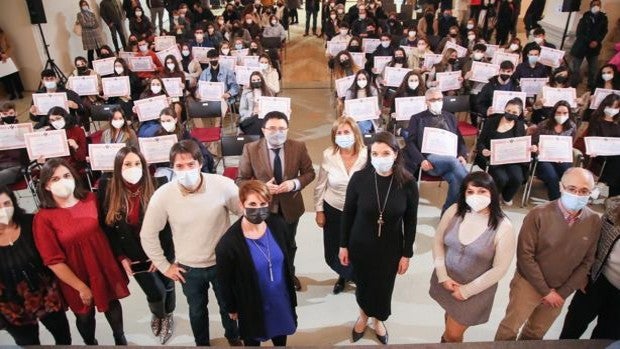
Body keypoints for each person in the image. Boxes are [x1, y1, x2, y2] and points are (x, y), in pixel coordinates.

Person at [140, 140, 242, 346]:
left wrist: (238, 251)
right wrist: (164, 266)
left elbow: (244, 215)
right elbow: (148, 234)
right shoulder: (163, 195)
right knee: (196, 309)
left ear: (200, 163)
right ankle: (202, 343)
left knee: (228, 306)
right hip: (188, 268)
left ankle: (233, 337)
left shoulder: (223, 185)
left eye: (190, 164)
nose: (185, 170)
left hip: (221, 264)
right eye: (179, 166)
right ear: (172, 168)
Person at [494, 167, 602, 341]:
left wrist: (562, 293)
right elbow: (525, 256)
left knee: (536, 333)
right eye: (572, 189)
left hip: (561, 289)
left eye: (584, 191)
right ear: (561, 187)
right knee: (510, 329)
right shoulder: (538, 214)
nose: (577, 194)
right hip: (528, 284)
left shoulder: (594, 220)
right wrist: (546, 291)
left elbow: (587, 261)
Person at [33, 159, 130, 345]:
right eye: (55, 178)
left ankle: (120, 338)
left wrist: (122, 257)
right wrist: (81, 287)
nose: (63, 181)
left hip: (102, 265)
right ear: (46, 185)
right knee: (85, 316)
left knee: (112, 303)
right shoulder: (43, 218)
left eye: (66, 176)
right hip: (75, 275)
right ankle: (90, 343)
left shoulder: (91, 199)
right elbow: (53, 261)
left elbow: (108, 230)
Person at [340, 131, 418, 345]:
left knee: (384, 285)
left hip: (391, 247)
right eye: (375, 153)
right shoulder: (359, 178)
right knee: (364, 283)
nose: (380, 157)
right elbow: (348, 213)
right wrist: (343, 245)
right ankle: (363, 316)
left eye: (385, 152)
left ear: (395, 154)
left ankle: (379, 320)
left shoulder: (408, 183)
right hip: (360, 244)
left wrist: (406, 254)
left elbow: (411, 220)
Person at [100, 147, 175, 344]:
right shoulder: (108, 189)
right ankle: (159, 314)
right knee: (153, 291)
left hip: (160, 250)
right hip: (133, 255)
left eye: (137, 164)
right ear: (118, 167)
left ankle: (168, 315)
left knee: (167, 285)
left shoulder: (159, 185)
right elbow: (107, 228)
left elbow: (169, 227)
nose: (133, 168)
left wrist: (160, 256)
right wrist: (121, 257)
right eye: (127, 164)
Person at [430, 171, 515, 342]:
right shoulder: (454, 211)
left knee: (453, 334)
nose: (475, 196)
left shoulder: (503, 227)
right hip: (447, 281)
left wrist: (466, 291)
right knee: (450, 319)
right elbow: (438, 241)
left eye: (482, 191)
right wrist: (442, 275)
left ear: (492, 192)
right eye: (470, 191)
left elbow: (500, 269)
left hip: (475, 290)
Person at [237, 112, 316, 291]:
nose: (277, 132)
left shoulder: (298, 147)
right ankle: (267, 275)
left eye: (281, 129)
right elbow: (241, 180)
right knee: (264, 243)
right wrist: (261, 187)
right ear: (263, 130)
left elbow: (309, 173)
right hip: (263, 208)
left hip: (290, 206)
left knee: (289, 243)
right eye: (272, 128)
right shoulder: (250, 149)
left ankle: (288, 274)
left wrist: (294, 183)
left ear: (287, 130)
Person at [216, 180, 297, 346]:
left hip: (280, 298)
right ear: (242, 204)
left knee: (280, 338)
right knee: (253, 340)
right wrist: (231, 307)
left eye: (263, 203)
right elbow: (225, 281)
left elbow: (286, 259)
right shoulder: (228, 244)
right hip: (251, 303)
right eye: (252, 203)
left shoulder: (278, 225)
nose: (258, 209)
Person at [0, 186, 71, 345]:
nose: (3, 210)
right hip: (12, 309)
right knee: (29, 344)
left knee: (63, 339)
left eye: (6, 204)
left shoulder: (31, 222)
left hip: (47, 298)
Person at [314, 118, 367, 294]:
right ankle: (343, 275)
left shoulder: (367, 155)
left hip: (359, 211)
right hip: (334, 209)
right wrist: (319, 210)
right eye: (339, 133)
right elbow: (320, 185)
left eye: (347, 132)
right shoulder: (329, 155)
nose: (343, 136)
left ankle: (358, 276)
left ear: (355, 134)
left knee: (357, 246)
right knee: (334, 248)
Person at [560, 195, 620, 340]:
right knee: (573, 326)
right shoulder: (614, 210)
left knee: (606, 337)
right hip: (596, 279)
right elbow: (593, 245)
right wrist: (583, 275)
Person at [405, 88, 469, 213]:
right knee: (453, 161)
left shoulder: (450, 117)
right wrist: (421, 160)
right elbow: (410, 142)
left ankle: (447, 213)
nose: (437, 101)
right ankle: (473, 185)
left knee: (456, 180)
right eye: (433, 99)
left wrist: (462, 154)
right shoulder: (417, 118)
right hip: (430, 161)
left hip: (449, 160)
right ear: (426, 102)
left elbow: (460, 139)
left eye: (439, 99)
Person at [476, 98, 530, 205]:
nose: (510, 114)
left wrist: (529, 148)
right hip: (492, 157)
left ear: (519, 114)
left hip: (511, 158)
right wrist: (484, 151)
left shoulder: (520, 125)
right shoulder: (492, 121)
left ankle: (507, 197)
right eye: (508, 111)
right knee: (501, 178)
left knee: (517, 178)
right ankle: (493, 199)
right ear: (504, 109)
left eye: (514, 112)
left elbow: (521, 144)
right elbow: (480, 142)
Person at [531, 101, 576, 200]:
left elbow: (570, 143)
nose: (561, 115)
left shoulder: (572, 126)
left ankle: (568, 199)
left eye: (565, 113)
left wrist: (564, 154)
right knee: (552, 177)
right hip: (544, 157)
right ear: (554, 113)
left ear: (569, 114)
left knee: (567, 174)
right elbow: (533, 142)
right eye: (558, 113)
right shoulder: (543, 124)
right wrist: (535, 148)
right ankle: (555, 202)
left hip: (561, 157)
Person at [570, 0, 608, 90]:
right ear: (590, 6)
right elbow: (579, 33)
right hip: (581, 46)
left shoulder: (603, 18)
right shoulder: (584, 18)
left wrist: (596, 41)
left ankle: (591, 87)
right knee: (575, 68)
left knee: (593, 69)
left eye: (598, 5)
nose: (596, 6)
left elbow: (604, 32)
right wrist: (590, 41)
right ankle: (573, 85)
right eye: (594, 5)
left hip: (595, 48)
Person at [587, 93, 620, 197]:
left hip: (615, 152)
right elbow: (592, 137)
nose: (612, 110)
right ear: (605, 105)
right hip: (599, 153)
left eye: (616, 107)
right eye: (611, 106)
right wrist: (593, 149)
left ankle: (604, 187)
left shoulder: (618, 121)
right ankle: (606, 189)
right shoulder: (596, 120)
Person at [45, 107, 88, 174]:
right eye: (52, 120)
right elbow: (48, 156)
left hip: (74, 166)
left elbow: (82, 157)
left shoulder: (78, 131)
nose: (55, 122)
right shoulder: (48, 132)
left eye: (58, 119)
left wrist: (76, 146)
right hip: (55, 167)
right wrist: (43, 159)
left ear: (65, 117)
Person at [344, 70, 381, 134]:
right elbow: (346, 108)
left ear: (367, 80)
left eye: (363, 79)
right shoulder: (350, 92)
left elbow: (376, 107)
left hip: (369, 119)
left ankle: (362, 140)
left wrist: (377, 111)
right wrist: (345, 112)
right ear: (356, 80)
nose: (361, 81)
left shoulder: (373, 90)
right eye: (359, 79)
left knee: (362, 124)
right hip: (354, 118)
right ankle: (365, 139)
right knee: (359, 125)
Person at [0, 103, 28, 186]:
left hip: (16, 166)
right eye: (5, 114)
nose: (8, 116)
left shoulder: (24, 129)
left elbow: (29, 153)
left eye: (11, 113)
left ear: (15, 113)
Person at [0, 27, 24, 100]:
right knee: (5, 78)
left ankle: (19, 92)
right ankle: (11, 93)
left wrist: (5, 55)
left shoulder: (3, 35)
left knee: (14, 76)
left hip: (8, 59)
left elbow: (11, 46)